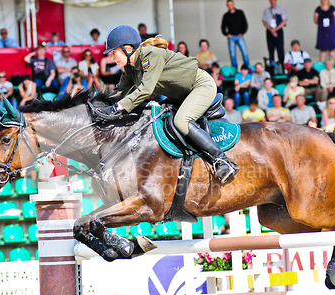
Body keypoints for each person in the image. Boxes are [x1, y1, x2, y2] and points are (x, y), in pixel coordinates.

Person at [100, 25, 237, 182]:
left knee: (181, 121)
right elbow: (118, 92)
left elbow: (145, 90)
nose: (112, 58)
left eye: (114, 53)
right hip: (179, 95)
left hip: (200, 85)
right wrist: (98, 106)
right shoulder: (131, 68)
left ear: (128, 48)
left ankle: (222, 160)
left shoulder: (149, 56)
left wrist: (117, 107)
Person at [221, 0, 249, 69]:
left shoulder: (240, 13)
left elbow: (245, 24)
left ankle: (247, 69)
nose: (230, 6)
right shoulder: (226, 15)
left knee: (245, 53)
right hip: (231, 37)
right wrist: (227, 34)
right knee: (233, 55)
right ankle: (235, 70)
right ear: (227, 6)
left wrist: (242, 33)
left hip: (240, 36)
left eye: (231, 5)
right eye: (228, 5)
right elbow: (223, 26)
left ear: (234, 4)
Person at [262, 0, 288, 71]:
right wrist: (271, 30)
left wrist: (276, 29)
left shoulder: (281, 9)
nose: (272, 1)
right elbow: (265, 22)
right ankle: (272, 68)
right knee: (271, 50)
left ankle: (282, 68)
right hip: (270, 31)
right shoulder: (266, 10)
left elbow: (284, 21)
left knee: (280, 50)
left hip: (278, 31)